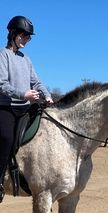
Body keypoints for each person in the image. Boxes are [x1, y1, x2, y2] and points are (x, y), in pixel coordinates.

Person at [0, 15, 53, 202]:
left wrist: (46, 95)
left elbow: (36, 81)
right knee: (6, 138)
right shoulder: (2, 55)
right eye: (23, 36)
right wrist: (24, 94)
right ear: (12, 34)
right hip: (7, 107)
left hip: (26, 107)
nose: (26, 40)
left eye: (28, 37)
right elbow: (2, 84)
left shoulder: (26, 59)